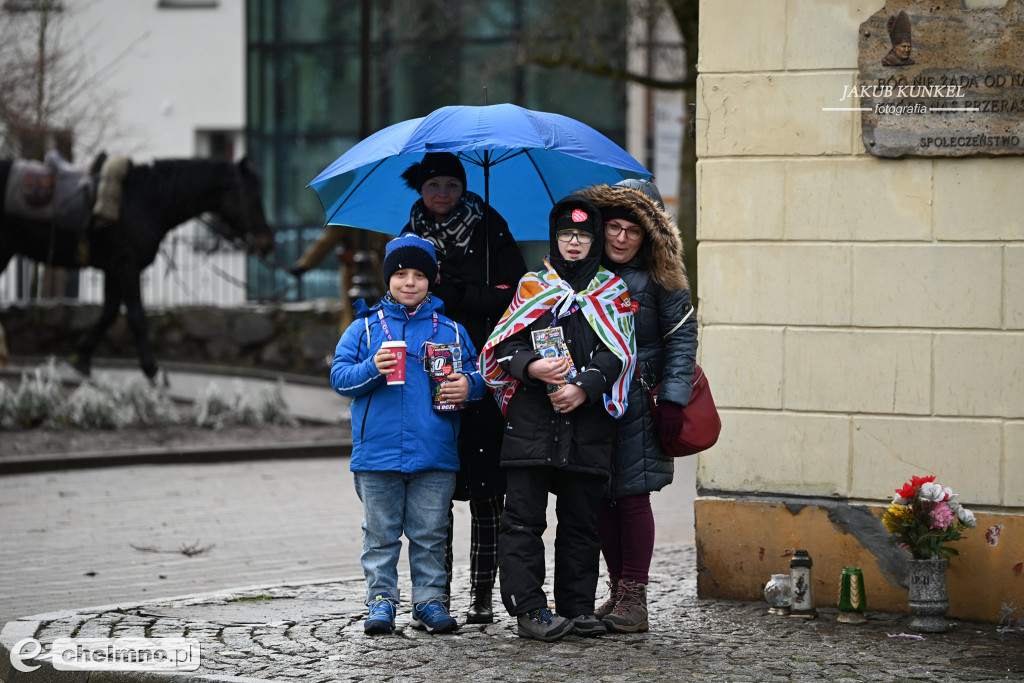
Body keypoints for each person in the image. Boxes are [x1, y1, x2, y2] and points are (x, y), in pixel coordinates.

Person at [479, 195, 635, 642]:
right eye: (566, 234)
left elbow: (619, 353)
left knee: (581, 522)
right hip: (531, 423)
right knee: (523, 521)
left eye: (583, 236)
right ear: (554, 237)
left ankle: (577, 606)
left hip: (587, 425)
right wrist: (530, 366)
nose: (573, 243)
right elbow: (502, 345)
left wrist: (584, 385)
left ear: (595, 242)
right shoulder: (533, 286)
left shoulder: (612, 291)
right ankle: (530, 608)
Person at [329, 232, 487, 635]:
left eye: (419, 274)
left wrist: (469, 386)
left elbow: (479, 376)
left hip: (435, 454)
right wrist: (370, 368)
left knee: (430, 534)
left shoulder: (451, 330)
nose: (410, 282)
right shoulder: (364, 328)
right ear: (388, 279)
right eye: (401, 274)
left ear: (432, 279)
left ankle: (430, 601)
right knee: (379, 535)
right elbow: (339, 378)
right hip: (376, 455)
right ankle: (381, 601)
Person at [400, 151, 527, 623]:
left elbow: (518, 293)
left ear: (463, 187)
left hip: (485, 371)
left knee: (487, 493)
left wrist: (462, 294)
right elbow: (397, 291)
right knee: (436, 493)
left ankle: (480, 594)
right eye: (434, 185)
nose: (442, 194)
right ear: (420, 188)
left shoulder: (489, 225)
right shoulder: (408, 234)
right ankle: (437, 595)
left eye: (452, 185)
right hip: (427, 376)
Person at [576, 179, 698, 633]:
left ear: (648, 235)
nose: (622, 237)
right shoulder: (583, 277)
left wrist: (672, 398)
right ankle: (617, 589)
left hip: (641, 403)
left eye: (633, 229)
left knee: (630, 496)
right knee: (602, 498)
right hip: (592, 401)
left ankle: (636, 595)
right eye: (615, 227)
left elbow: (682, 339)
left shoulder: (662, 280)